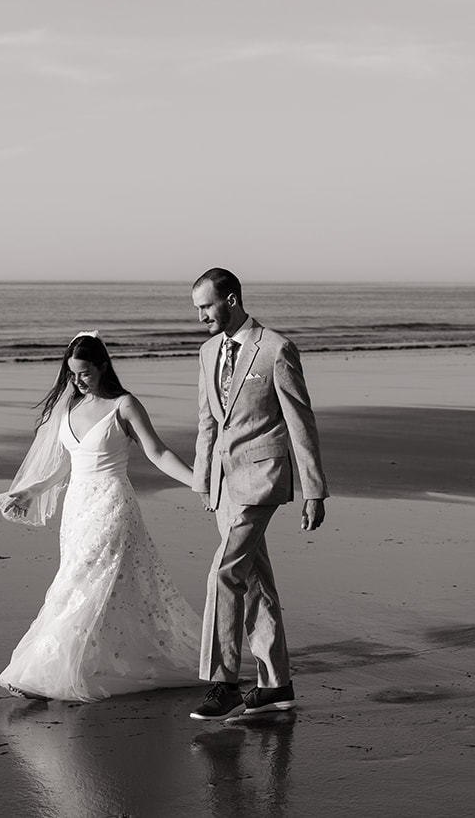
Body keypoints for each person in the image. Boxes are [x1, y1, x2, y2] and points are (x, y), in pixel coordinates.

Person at [0, 331, 201, 702]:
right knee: (98, 587)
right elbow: (66, 467)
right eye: (72, 374)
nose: (77, 381)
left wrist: (198, 482)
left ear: (103, 366)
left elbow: (158, 452)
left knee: (77, 583)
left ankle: (44, 673)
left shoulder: (124, 405)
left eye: (85, 373)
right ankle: (91, 664)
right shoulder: (69, 408)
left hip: (112, 505)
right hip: (77, 509)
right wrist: (31, 491)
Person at [188, 268, 328, 720]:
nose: (201, 317)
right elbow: (208, 419)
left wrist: (314, 491)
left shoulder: (275, 349)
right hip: (224, 484)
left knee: (223, 573)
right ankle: (276, 683)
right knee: (254, 581)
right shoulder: (208, 351)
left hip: (262, 478)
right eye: (197, 309)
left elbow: (300, 421)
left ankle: (223, 681)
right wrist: (203, 478)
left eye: (206, 307)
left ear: (230, 300)